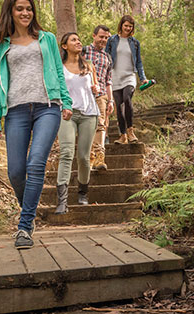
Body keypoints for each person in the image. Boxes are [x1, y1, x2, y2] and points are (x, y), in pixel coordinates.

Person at [0, 0, 72, 249]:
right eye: (19, 9)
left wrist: (66, 102)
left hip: (47, 107)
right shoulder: (1, 46)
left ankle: (25, 225)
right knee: (15, 172)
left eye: (29, 8)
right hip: (15, 111)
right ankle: (29, 207)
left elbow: (59, 72)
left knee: (35, 163)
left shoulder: (46, 39)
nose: (25, 13)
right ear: (10, 12)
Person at [55, 32, 100, 214]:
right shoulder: (60, 68)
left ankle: (82, 194)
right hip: (67, 114)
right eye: (73, 40)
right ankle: (62, 201)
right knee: (66, 153)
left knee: (83, 157)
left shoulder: (89, 66)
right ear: (64, 46)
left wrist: (97, 90)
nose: (78, 41)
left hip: (89, 114)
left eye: (79, 39)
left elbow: (96, 89)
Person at [105, 14, 148, 144]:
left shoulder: (135, 43)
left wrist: (143, 78)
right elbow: (106, 57)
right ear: (121, 25)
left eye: (130, 26)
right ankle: (122, 135)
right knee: (118, 105)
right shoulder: (112, 40)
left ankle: (130, 131)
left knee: (127, 98)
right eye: (126, 25)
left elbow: (138, 62)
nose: (128, 28)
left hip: (129, 75)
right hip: (115, 76)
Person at [82, 25, 114, 170]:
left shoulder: (107, 57)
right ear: (94, 36)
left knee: (101, 125)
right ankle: (87, 158)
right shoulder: (84, 51)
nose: (103, 40)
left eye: (106, 37)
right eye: (101, 36)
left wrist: (111, 100)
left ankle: (99, 158)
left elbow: (108, 81)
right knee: (86, 126)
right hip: (84, 95)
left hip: (101, 95)